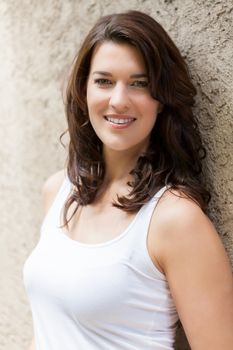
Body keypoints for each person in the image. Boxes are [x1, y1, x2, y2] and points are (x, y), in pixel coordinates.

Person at [24, 10, 233, 350]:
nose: (119, 100)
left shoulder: (175, 219)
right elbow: (49, 329)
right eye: (104, 81)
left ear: (162, 99)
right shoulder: (58, 191)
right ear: (84, 90)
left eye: (139, 83)